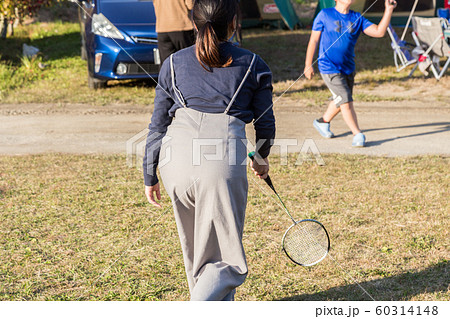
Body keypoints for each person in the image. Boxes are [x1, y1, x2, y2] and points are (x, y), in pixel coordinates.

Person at [143, 0, 275, 301]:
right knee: (224, 261)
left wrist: (149, 174)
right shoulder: (254, 64)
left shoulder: (172, 63)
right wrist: (261, 157)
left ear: (194, 22)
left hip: (173, 164)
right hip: (219, 166)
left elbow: (157, 125)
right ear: (234, 23)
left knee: (197, 255)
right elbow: (265, 125)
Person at [304, 0, 397, 147]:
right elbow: (314, 40)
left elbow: (379, 32)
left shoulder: (357, 18)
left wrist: (389, 10)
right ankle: (357, 134)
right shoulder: (325, 14)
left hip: (348, 68)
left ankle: (323, 122)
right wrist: (308, 64)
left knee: (341, 99)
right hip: (329, 67)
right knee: (346, 101)